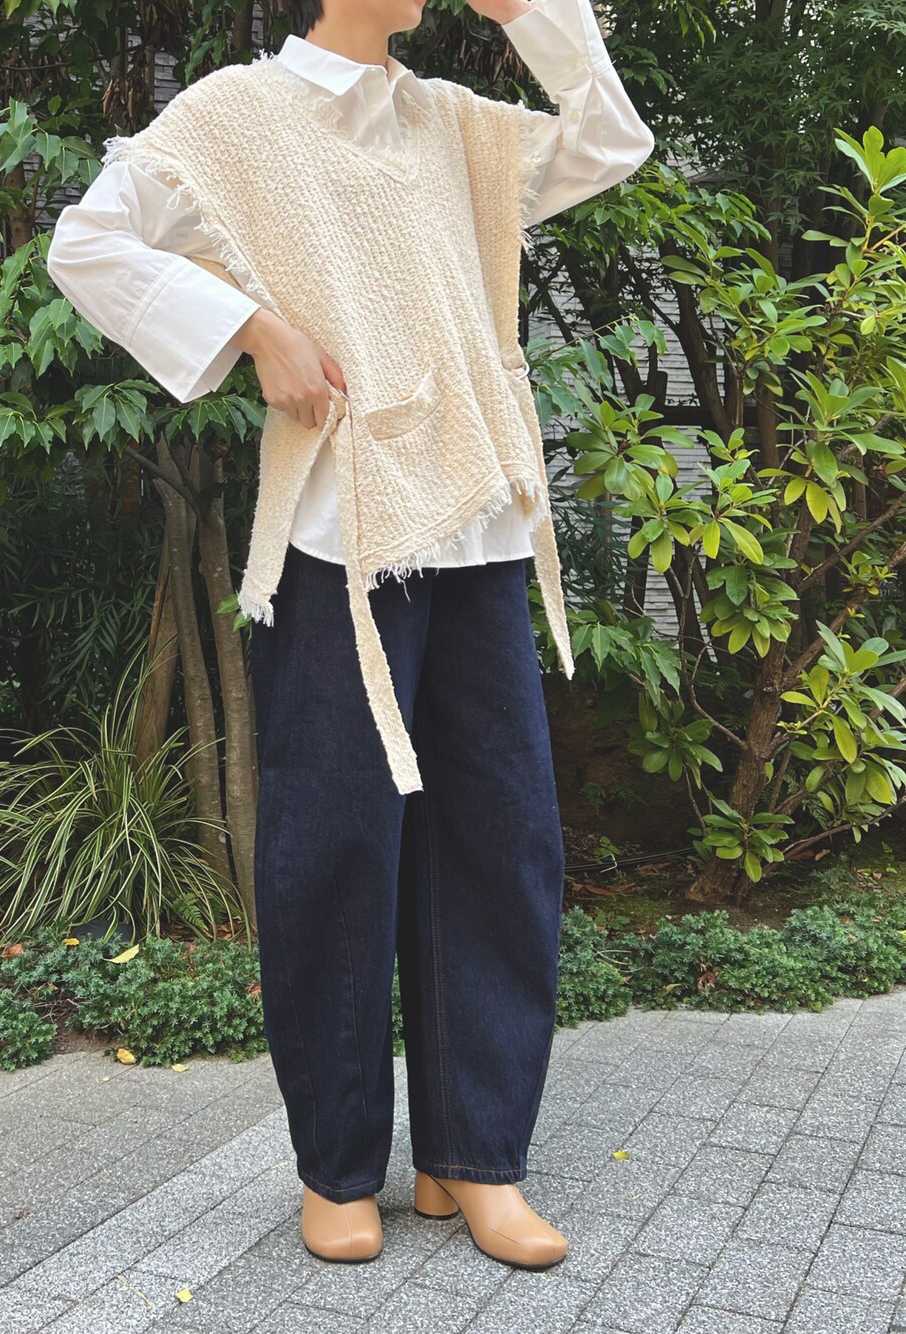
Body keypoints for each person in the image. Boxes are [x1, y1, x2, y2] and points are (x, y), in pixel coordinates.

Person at [47, 0, 653, 1270]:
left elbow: (607, 143)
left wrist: (536, 14)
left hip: (480, 525)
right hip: (337, 539)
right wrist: (247, 327)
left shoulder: (451, 124)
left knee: (502, 842)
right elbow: (87, 244)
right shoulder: (237, 116)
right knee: (332, 848)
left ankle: (472, 1157)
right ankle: (336, 1162)